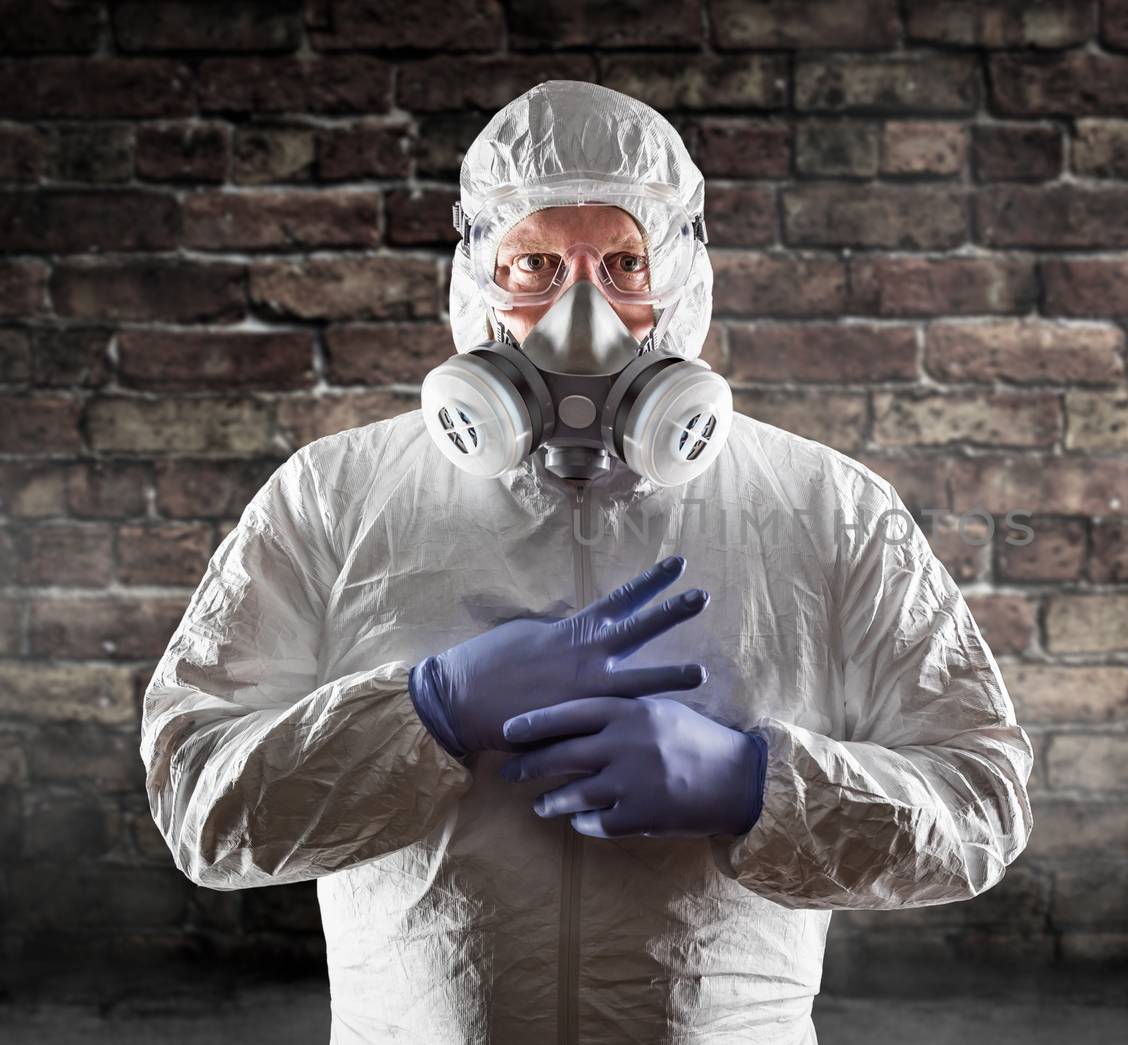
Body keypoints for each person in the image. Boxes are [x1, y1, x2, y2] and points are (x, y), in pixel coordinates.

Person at [141, 79, 1034, 1043]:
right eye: (533, 264)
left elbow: (980, 801)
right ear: (477, 275)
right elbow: (199, 802)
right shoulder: (335, 495)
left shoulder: (828, 508)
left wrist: (751, 785)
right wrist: (424, 711)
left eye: (622, 261)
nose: (582, 312)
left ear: (682, 279)